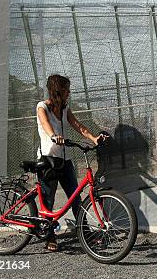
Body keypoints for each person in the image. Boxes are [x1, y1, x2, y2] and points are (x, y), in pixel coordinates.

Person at [36, 74, 107, 252]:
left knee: (76, 199)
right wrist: (54, 136)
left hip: (65, 161)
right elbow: (45, 123)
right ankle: (49, 236)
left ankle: (84, 232)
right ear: (58, 90)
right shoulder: (42, 106)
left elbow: (77, 124)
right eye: (67, 89)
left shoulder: (65, 108)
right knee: (48, 201)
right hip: (48, 160)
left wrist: (93, 138)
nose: (69, 92)